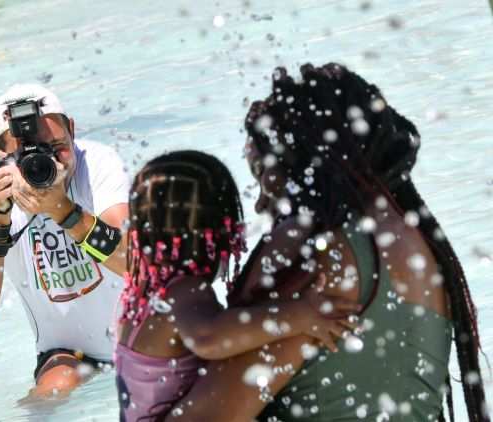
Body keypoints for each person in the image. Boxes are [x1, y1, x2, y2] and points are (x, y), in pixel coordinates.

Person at [166, 63, 489, 421]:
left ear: (301, 158)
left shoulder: (320, 255)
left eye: (263, 173)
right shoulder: (420, 246)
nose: (259, 202)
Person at [115, 150, 359, 421]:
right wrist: (299, 315)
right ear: (221, 231)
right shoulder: (184, 291)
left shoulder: (140, 297)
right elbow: (209, 337)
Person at [0, 84, 129, 398]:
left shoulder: (98, 164)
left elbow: (135, 264)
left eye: (56, 145)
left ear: (73, 130)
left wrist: (62, 210)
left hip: (140, 339)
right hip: (67, 353)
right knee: (53, 390)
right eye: (25, 155)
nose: (47, 161)